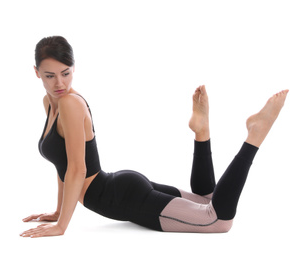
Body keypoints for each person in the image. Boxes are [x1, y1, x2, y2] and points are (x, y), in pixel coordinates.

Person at [20, 36, 289, 238]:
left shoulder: (70, 103)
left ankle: (255, 135)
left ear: (73, 68)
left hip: (120, 198)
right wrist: (57, 211)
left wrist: (61, 226)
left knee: (217, 220)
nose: (59, 84)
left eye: (65, 73)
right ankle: (202, 133)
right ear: (36, 73)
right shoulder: (51, 103)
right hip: (120, 186)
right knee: (208, 199)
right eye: (50, 76)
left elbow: (77, 169)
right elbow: (64, 166)